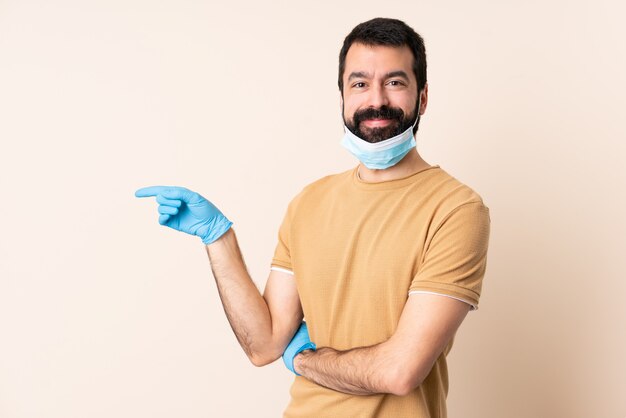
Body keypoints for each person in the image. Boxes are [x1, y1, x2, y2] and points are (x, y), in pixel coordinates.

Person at [136, 17, 491, 418]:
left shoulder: (456, 210)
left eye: (394, 82)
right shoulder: (309, 202)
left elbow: (398, 371)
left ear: (422, 97)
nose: (376, 100)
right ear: (342, 96)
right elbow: (265, 344)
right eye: (359, 83)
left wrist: (304, 359)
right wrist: (218, 238)